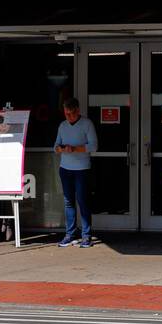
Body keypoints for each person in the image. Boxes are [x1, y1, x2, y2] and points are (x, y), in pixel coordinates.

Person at [54, 97, 99, 248]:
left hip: (82, 168)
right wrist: (61, 148)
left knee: (82, 200)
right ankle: (70, 234)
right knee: (68, 202)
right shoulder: (62, 126)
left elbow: (93, 146)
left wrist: (74, 149)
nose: (69, 117)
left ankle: (86, 235)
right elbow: (55, 147)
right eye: (67, 114)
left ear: (78, 111)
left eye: (72, 114)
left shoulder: (87, 124)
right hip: (65, 168)